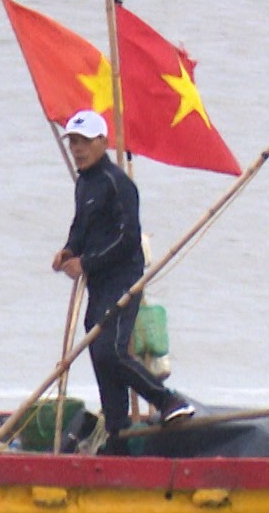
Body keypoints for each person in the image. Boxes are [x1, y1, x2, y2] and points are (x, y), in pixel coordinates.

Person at [52, 109, 195, 454]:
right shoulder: (84, 182)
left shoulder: (118, 183)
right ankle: (117, 432)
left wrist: (86, 262)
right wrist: (69, 250)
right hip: (98, 283)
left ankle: (169, 400)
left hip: (122, 279)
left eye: (84, 142)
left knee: (111, 350)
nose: (78, 149)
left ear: (103, 142)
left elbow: (127, 238)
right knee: (98, 353)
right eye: (73, 142)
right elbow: (81, 227)